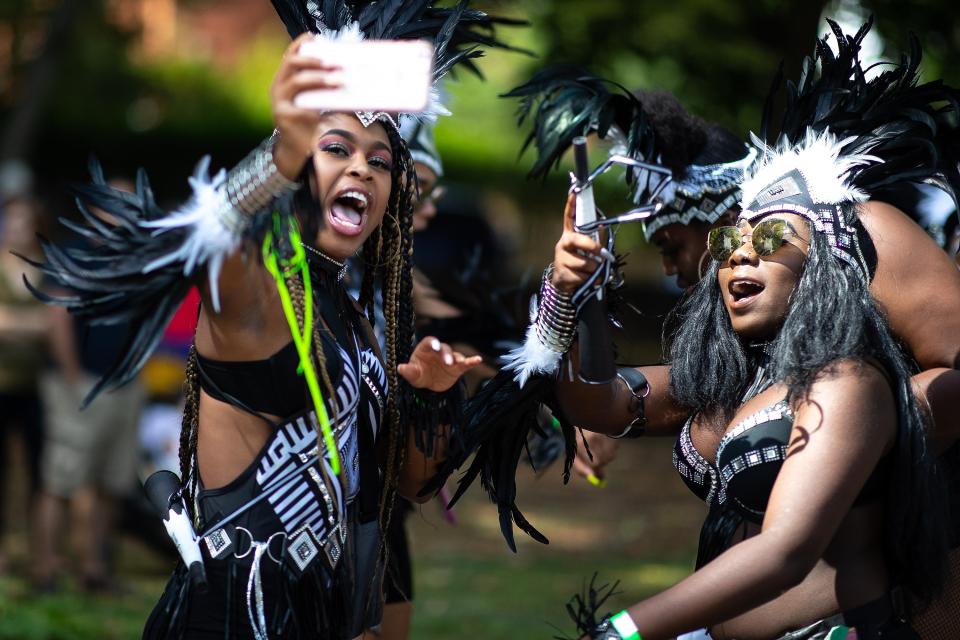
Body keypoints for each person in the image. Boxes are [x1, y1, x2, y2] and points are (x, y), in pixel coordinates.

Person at [24, 2, 519, 638]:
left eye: (380, 160)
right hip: (231, 613)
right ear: (298, 173)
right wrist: (279, 156)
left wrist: (431, 399)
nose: (362, 169)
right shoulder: (255, 289)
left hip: (318, 612)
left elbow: (413, 486)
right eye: (335, 148)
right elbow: (203, 248)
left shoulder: (357, 318)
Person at [0, 190, 49, 576]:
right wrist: (34, 326)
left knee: (39, 471)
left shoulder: (46, 268)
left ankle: (39, 553)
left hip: (39, 387)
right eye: (10, 220)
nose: (16, 229)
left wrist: (15, 323)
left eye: (23, 220)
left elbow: (57, 324)